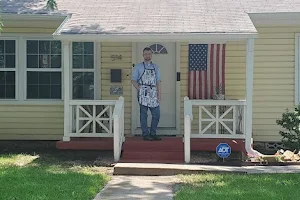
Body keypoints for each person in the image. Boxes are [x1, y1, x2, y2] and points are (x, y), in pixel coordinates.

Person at [131, 47, 162, 141]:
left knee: (156, 114)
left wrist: (159, 94)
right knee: (143, 114)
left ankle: (153, 133)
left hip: (153, 92)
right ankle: (145, 134)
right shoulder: (138, 67)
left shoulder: (156, 67)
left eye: (149, 53)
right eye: (145, 54)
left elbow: (158, 81)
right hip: (143, 93)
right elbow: (133, 80)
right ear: (143, 55)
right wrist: (139, 89)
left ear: (151, 54)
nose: (147, 55)